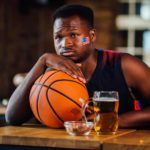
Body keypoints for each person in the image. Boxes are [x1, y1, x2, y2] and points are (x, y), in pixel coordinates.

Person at [5, 4, 150, 129]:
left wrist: (111, 120)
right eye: (59, 37)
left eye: (73, 35)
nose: (65, 44)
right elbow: (12, 117)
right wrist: (42, 60)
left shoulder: (124, 64)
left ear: (91, 36)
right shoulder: (51, 74)